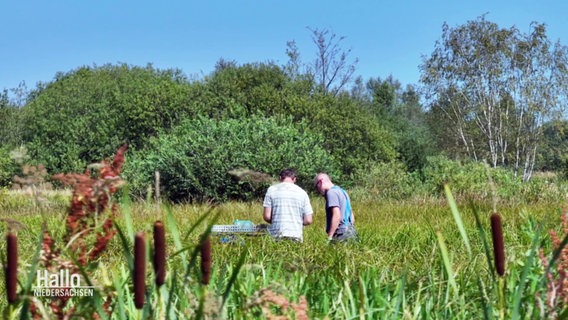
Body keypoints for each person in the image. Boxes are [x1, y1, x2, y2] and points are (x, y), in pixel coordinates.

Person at [262, 168, 313, 242]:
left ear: (280, 178)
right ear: (294, 179)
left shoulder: (271, 190)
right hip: (296, 235)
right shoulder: (302, 193)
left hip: (276, 235)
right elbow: (308, 220)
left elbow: (267, 216)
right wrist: (297, 222)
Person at [313, 173, 358, 243]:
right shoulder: (343, 192)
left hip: (341, 233)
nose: (318, 190)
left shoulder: (331, 193)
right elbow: (351, 215)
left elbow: (336, 214)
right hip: (351, 232)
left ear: (321, 182)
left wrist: (330, 237)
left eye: (316, 187)